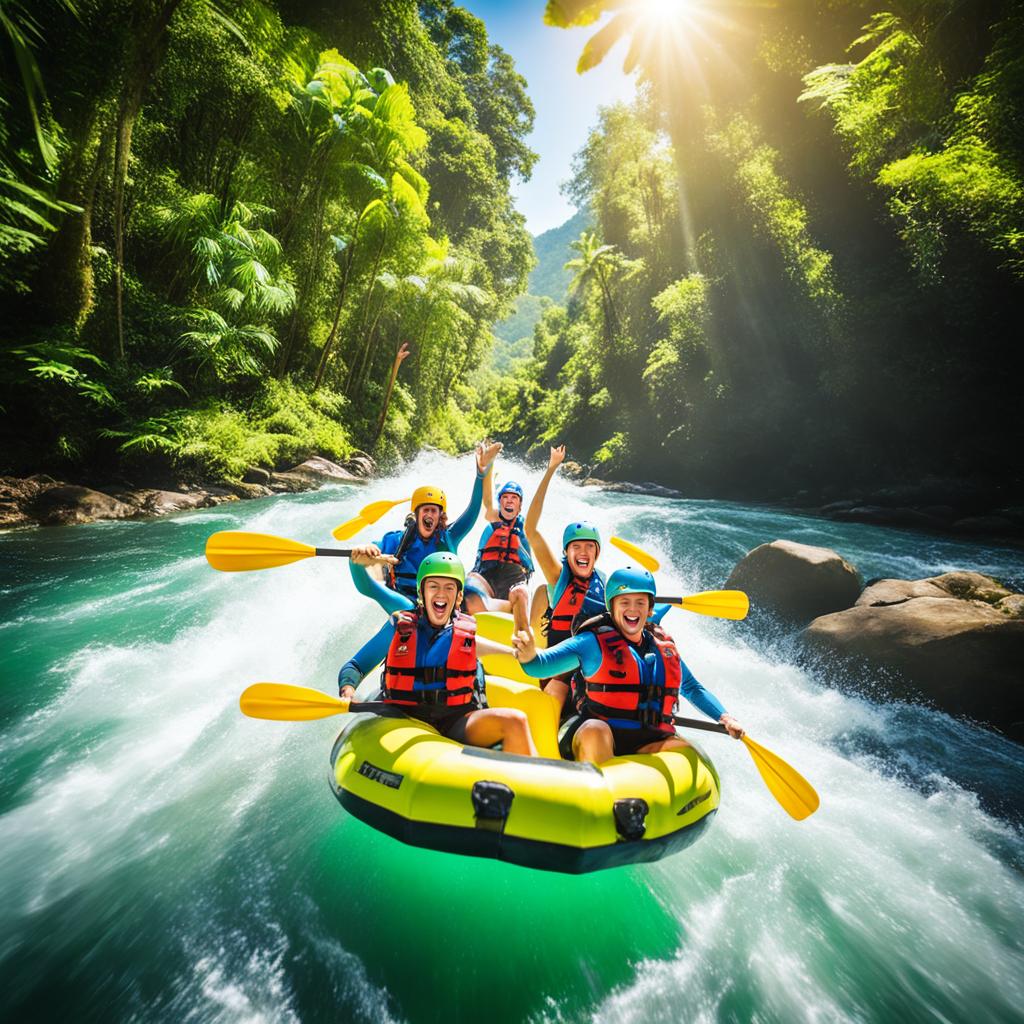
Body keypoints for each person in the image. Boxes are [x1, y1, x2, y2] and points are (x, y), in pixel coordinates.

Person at [511, 565, 744, 764]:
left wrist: (724, 717)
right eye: (625, 602)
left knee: (688, 753)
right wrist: (528, 654)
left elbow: (692, 688)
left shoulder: (664, 648)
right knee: (596, 731)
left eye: (640, 602)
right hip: (595, 732)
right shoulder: (590, 642)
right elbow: (538, 667)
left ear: (650, 609)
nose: (633, 609)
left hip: (647, 741)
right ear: (611, 607)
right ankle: (597, 797)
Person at [338, 551, 538, 754]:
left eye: (449, 587)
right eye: (433, 586)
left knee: (516, 721)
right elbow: (355, 666)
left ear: (459, 596)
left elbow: (489, 648)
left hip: (455, 721)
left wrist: (520, 653)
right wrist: (348, 690)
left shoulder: (464, 633)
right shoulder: (399, 626)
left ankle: (538, 782)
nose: (441, 594)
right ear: (421, 592)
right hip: (404, 719)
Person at [351, 441, 502, 609]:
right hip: (407, 606)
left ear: (440, 516)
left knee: (472, 596)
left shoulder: (450, 537)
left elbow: (473, 510)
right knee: (402, 605)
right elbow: (374, 549)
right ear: (416, 514)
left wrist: (481, 474)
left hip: (443, 604)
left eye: (434, 511)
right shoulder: (397, 540)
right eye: (426, 510)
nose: (430, 515)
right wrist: (365, 550)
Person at [465, 461, 535, 608]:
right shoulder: (494, 518)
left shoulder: (526, 528)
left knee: (521, 595)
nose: (509, 500)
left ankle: (516, 621)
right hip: (486, 574)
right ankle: (481, 607)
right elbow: (488, 501)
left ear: (520, 506)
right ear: (500, 502)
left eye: (514, 498)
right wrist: (489, 462)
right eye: (505, 497)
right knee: (469, 588)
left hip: (513, 578)